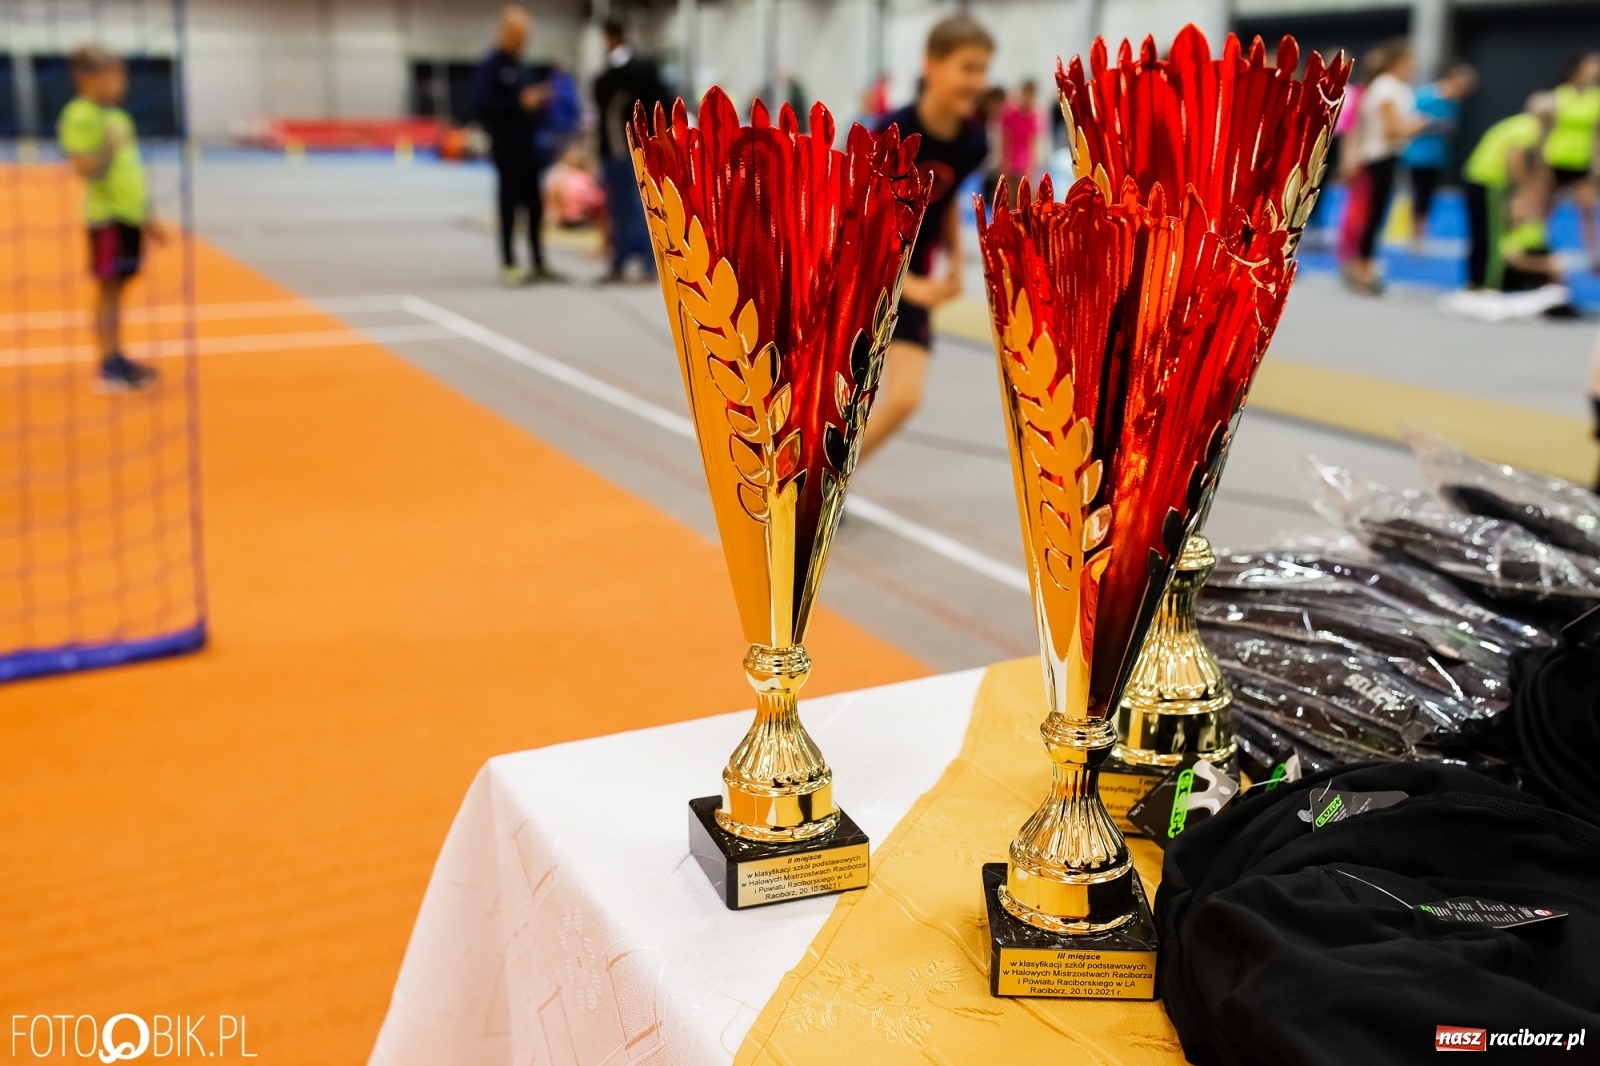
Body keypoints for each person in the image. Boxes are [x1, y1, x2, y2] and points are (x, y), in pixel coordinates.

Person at [860, 15, 993, 461]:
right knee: (836, 395)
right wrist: (907, 286)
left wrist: (956, 261)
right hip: (861, 271)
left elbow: (946, 199)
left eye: (983, 70)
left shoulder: (973, 143)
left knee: (904, 398)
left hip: (910, 276)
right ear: (931, 65)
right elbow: (861, 221)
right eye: (967, 68)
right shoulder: (889, 132)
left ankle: (828, 490)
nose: (977, 81)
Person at [58, 46, 165, 392]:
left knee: (120, 289)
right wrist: (106, 146)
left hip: (130, 216)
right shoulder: (79, 114)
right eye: (113, 75)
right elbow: (83, 168)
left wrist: (148, 216)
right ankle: (107, 366)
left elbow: (131, 173)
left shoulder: (121, 118)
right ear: (87, 78)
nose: (121, 83)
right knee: (108, 289)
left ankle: (117, 356)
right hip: (106, 218)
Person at [473, 6, 557, 286]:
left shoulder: (523, 66)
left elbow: (529, 104)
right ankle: (509, 263)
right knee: (509, 205)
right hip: (506, 147)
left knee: (535, 205)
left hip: (529, 147)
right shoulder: (491, 65)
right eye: (517, 34)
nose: (522, 40)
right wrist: (518, 103)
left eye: (525, 35)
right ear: (505, 32)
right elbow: (482, 105)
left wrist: (539, 102)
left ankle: (538, 261)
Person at [1343, 40, 1429, 294]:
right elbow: (1393, 129)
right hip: (1380, 156)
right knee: (1374, 214)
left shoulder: (1384, 88)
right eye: (1410, 64)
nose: (1412, 69)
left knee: (1373, 214)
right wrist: (1421, 124)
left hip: (1379, 155)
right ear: (1398, 63)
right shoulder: (1387, 89)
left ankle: (1362, 263)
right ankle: (1363, 265)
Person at [593, 18, 670, 283]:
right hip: (615, 149)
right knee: (619, 209)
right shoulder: (619, 71)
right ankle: (621, 261)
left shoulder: (630, 72)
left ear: (609, 38)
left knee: (637, 208)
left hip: (626, 150)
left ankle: (649, 263)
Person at [1461, 92, 1557, 291]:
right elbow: (1514, 158)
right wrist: (1526, 186)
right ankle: (1488, 283)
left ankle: (1476, 282)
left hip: (1477, 176)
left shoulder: (1517, 123)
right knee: (1491, 235)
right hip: (1490, 180)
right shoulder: (1530, 127)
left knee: (1481, 234)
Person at [1400, 62, 1476, 249]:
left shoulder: (1453, 104)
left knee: (1429, 196)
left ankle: (1421, 234)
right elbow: (1409, 123)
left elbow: (1450, 129)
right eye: (1461, 86)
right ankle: (1414, 235)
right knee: (1418, 194)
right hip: (1418, 155)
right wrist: (1427, 124)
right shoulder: (1425, 96)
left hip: (1437, 156)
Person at [1544, 53, 1600, 272]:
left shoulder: (1596, 97)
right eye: (1591, 65)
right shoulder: (1558, 95)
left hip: (1581, 163)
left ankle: (1594, 257)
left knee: (1587, 209)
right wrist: (1542, 163)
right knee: (1546, 209)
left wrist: (1596, 161)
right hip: (1555, 160)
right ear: (1577, 69)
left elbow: (1597, 133)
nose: (1595, 69)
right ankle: (1539, 249)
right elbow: (1546, 131)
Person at [545, 142, 606, 229]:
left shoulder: (566, 175)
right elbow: (598, 200)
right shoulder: (582, 179)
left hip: (562, 218)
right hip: (577, 220)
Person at [997, 80, 1041, 191]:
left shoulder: (1034, 117)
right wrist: (1003, 165)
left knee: (1024, 197)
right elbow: (1005, 141)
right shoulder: (1009, 113)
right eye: (1025, 94)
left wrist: (1032, 168)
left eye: (1030, 96)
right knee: (1009, 195)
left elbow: (1033, 144)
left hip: (1025, 164)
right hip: (1010, 162)